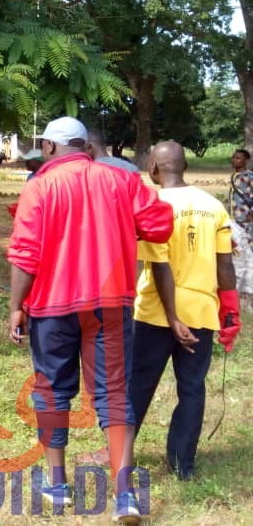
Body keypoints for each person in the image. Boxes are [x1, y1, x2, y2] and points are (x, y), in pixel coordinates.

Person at [7, 116, 173, 523]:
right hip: (110, 303)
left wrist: (16, 305)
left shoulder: (39, 186)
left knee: (52, 392)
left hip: (52, 306)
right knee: (114, 393)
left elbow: (26, 253)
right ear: (84, 146)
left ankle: (58, 486)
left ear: (48, 148)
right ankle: (125, 495)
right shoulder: (122, 180)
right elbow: (159, 226)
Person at [121, 141, 241, 481]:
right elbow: (225, 265)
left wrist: (172, 317)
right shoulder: (214, 205)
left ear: (153, 170)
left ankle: (120, 454)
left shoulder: (151, 205)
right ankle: (182, 465)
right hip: (202, 312)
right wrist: (229, 310)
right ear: (185, 166)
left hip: (156, 312)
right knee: (192, 387)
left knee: (138, 385)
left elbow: (158, 265)